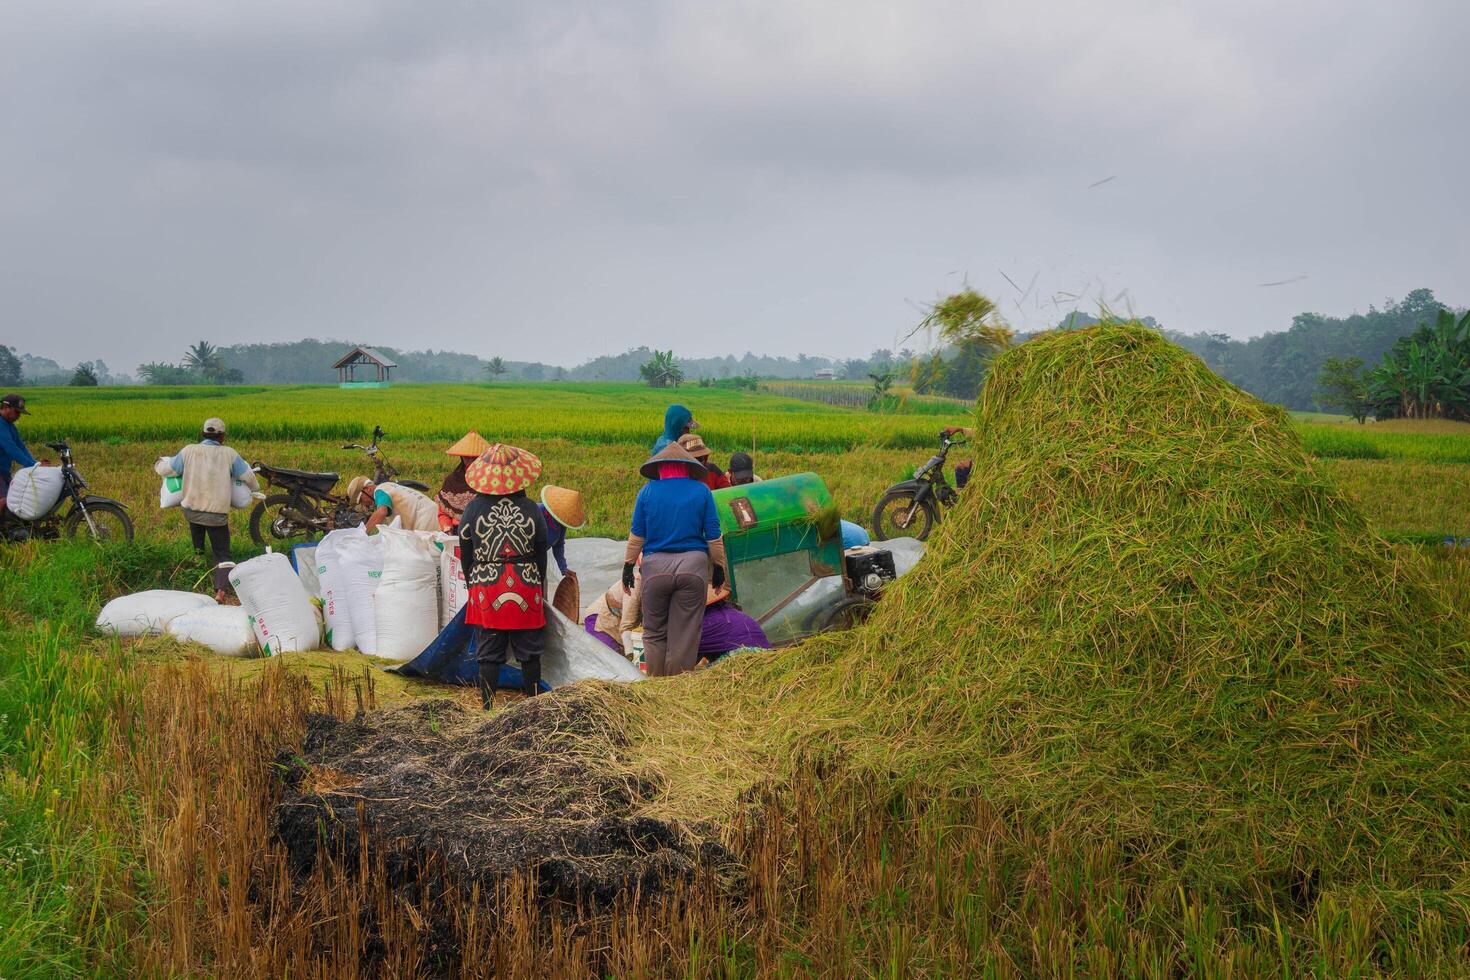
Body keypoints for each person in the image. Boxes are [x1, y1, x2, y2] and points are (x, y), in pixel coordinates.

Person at [623, 442, 727, 677]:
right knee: (685, 634)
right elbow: (713, 537)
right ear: (686, 468)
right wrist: (719, 568)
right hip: (692, 568)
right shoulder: (701, 491)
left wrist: (627, 567)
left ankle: (657, 687)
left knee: (654, 632)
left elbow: (636, 537)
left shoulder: (647, 492)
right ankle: (676, 690)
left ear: (660, 469)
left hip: (655, 570)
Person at [459, 444, 549, 704]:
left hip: (487, 583)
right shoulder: (533, 509)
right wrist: (537, 583)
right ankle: (533, 704)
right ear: (519, 476)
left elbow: (466, 551)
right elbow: (541, 551)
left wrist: (472, 582)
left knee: (489, 649)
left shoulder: (472, 510)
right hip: (525, 582)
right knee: (529, 650)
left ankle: (488, 706)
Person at [164, 417, 258, 603]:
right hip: (216, 515)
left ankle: (196, 577)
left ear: (202, 434)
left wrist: (158, 463)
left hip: (191, 511)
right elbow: (247, 475)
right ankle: (220, 591)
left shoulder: (189, 451)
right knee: (223, 554)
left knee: (198, 548)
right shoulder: (229, 454)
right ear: (222, 437)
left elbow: (168, 469)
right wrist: (255, 489)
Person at [0, 394, 44, 520]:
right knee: (3, 501)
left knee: (13, 499)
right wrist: (31, 465)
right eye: (17, 412)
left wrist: (35, 464)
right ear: (6, 407)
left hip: (4, 472)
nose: (19, 416)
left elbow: (21, 447)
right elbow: (11, 449)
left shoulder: (10, 426)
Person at [437, 431, 490, 531]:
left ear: (482, 458)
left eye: (474, 458)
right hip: (457, 531)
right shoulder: (452, 481)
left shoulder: (490, 482)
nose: (470, 462)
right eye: (466, 458)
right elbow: (443, 512)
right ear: (461, 458)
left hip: (482, 530)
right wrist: (446, 527)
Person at [348, 476, 440, 533]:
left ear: (367, 488)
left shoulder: (379, 491)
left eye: (361, 500)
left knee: (426, 556)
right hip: (432, 511)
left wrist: (364, 531)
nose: (364, 504)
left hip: (425, 518)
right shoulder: (389, 485)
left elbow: (382, 512)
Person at [539, 484, 585, 579]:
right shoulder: (538, 511)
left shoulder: (561, 521)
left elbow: (558, 545)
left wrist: (563, 568)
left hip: (540, 559)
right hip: (525, 559)